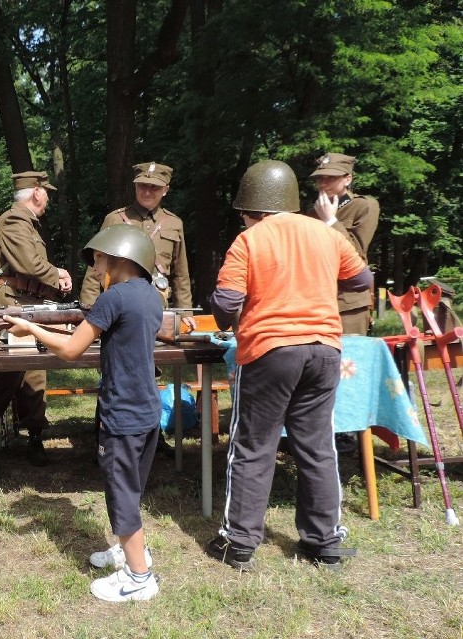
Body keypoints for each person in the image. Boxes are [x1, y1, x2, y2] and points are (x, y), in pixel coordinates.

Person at [206, 160, 372, 572]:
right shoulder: (325, 232)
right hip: (324, 350)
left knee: (253, 445)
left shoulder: (249, 240)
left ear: (252, 210)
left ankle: (239, 543)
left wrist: (225, 318)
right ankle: (325, 543)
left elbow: (226, 304)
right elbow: (362, 280)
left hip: (270, 351)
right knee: (317, 447)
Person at [5, 224, 163, 602]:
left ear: (122, 257)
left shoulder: (114, 297)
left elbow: (73, 350)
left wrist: (32, 328)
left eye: (99, 258)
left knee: (120, 494)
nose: (95, 266)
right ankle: (130, 550)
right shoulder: (152, 297)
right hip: (147, 408)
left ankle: (139, 576)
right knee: (131, 488)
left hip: (121, 412)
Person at [0, 171, 73, 467]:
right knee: (7, 375)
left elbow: (30, 267)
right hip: (8, 304)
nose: (47, 197)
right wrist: (58, 274)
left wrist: (52, 280)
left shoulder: (26, 223)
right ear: (36, 192)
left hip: (26, 303)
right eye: (45, 191)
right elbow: (30, 263)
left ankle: (34, 436)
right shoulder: (15, 220)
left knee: (35, 374)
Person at [308, 152, 380, 456]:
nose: (324, 184)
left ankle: (349, 433)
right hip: (314, 299)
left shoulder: (365, 206)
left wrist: (331, 221)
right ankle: (318, 428)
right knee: (316, 368)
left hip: (347, 303)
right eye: (321, 178)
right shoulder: (309, 210)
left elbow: (357, 254)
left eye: (332, 178)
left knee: (347, 369)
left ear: (348, 178)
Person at [79, 161, 196, 330]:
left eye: (154, 187)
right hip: (119, 306)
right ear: (135, 187)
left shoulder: (174, 223)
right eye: (142, 186)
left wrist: (185, 312)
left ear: (165, 190)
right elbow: (95, 266)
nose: (147, 192)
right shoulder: (115, 219)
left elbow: (180, 273)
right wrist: (88, 307)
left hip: (158, 307)